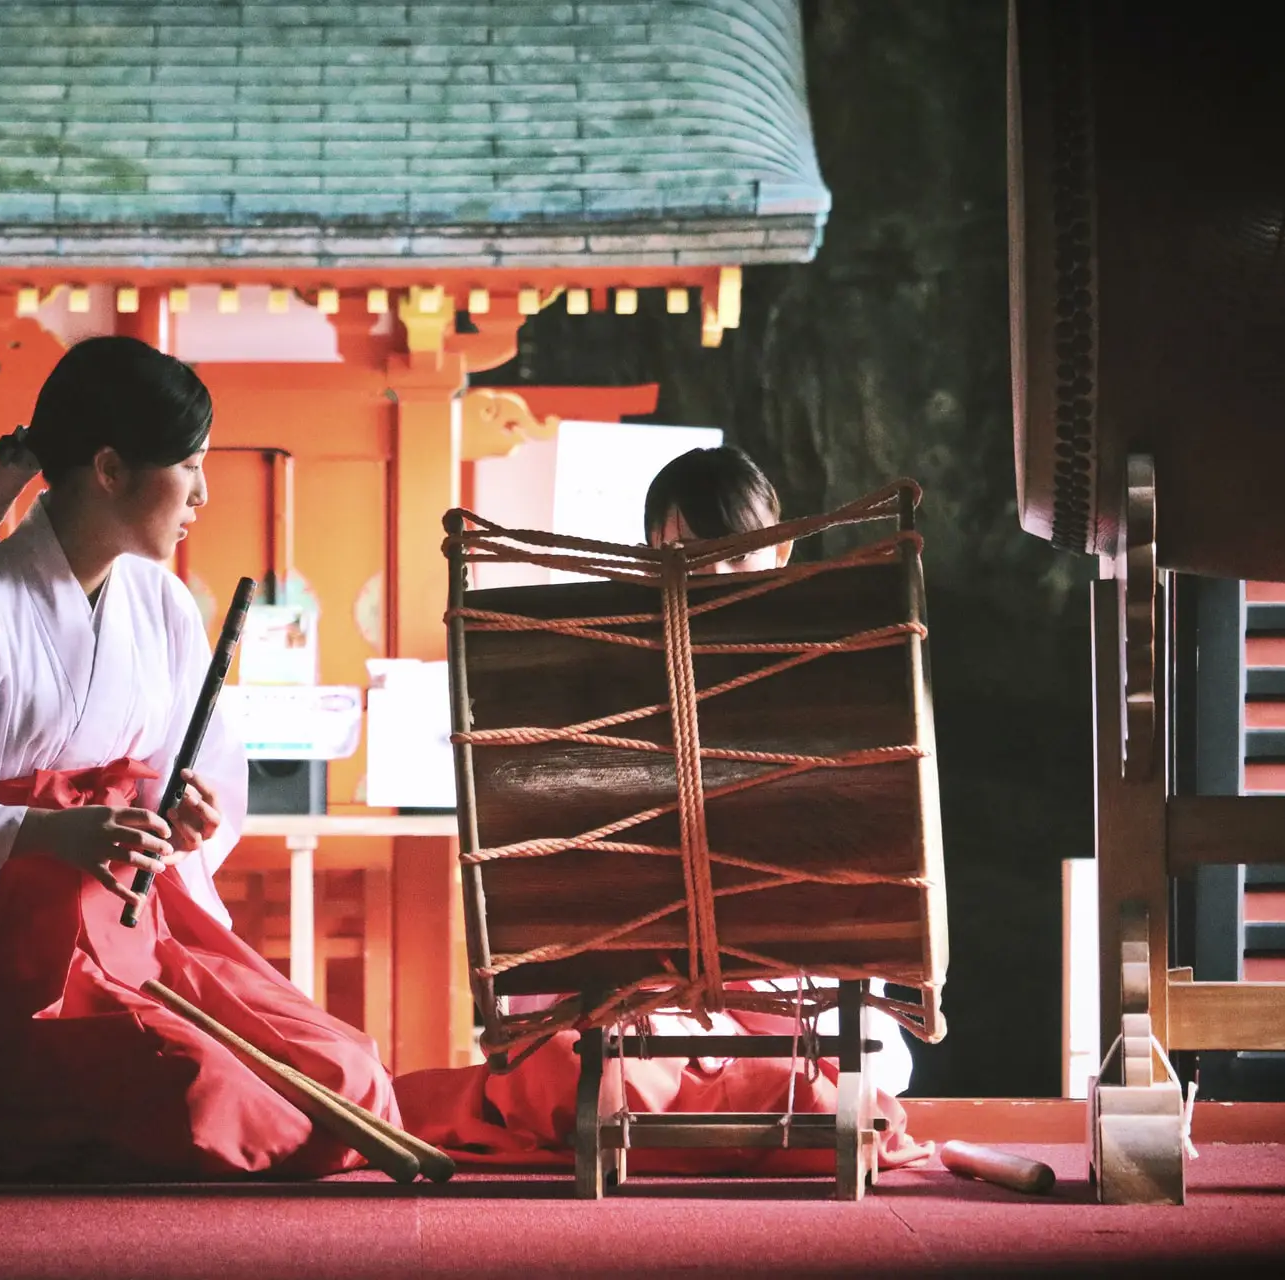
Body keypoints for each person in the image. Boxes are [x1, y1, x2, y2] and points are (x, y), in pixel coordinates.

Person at [0, 336, 397, 1179]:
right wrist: (50, 834)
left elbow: (190, 768)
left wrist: (189, 812)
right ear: (108, 467)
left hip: (136, 931)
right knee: (205, 1094)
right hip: (6, 965)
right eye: (191, 466)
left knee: (345, 1075)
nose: (204, 493)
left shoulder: (161, 604)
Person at [397, 444, 928, 1175]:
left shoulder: (831, 669)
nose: (705, 577)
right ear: (649, 557)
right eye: (680, 556)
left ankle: (717, 1110)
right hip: (632, 989)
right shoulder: (595, 667)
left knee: (833, 1103)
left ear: (780, 551)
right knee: (578, 1074)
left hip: (777, 998)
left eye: (730, 557)